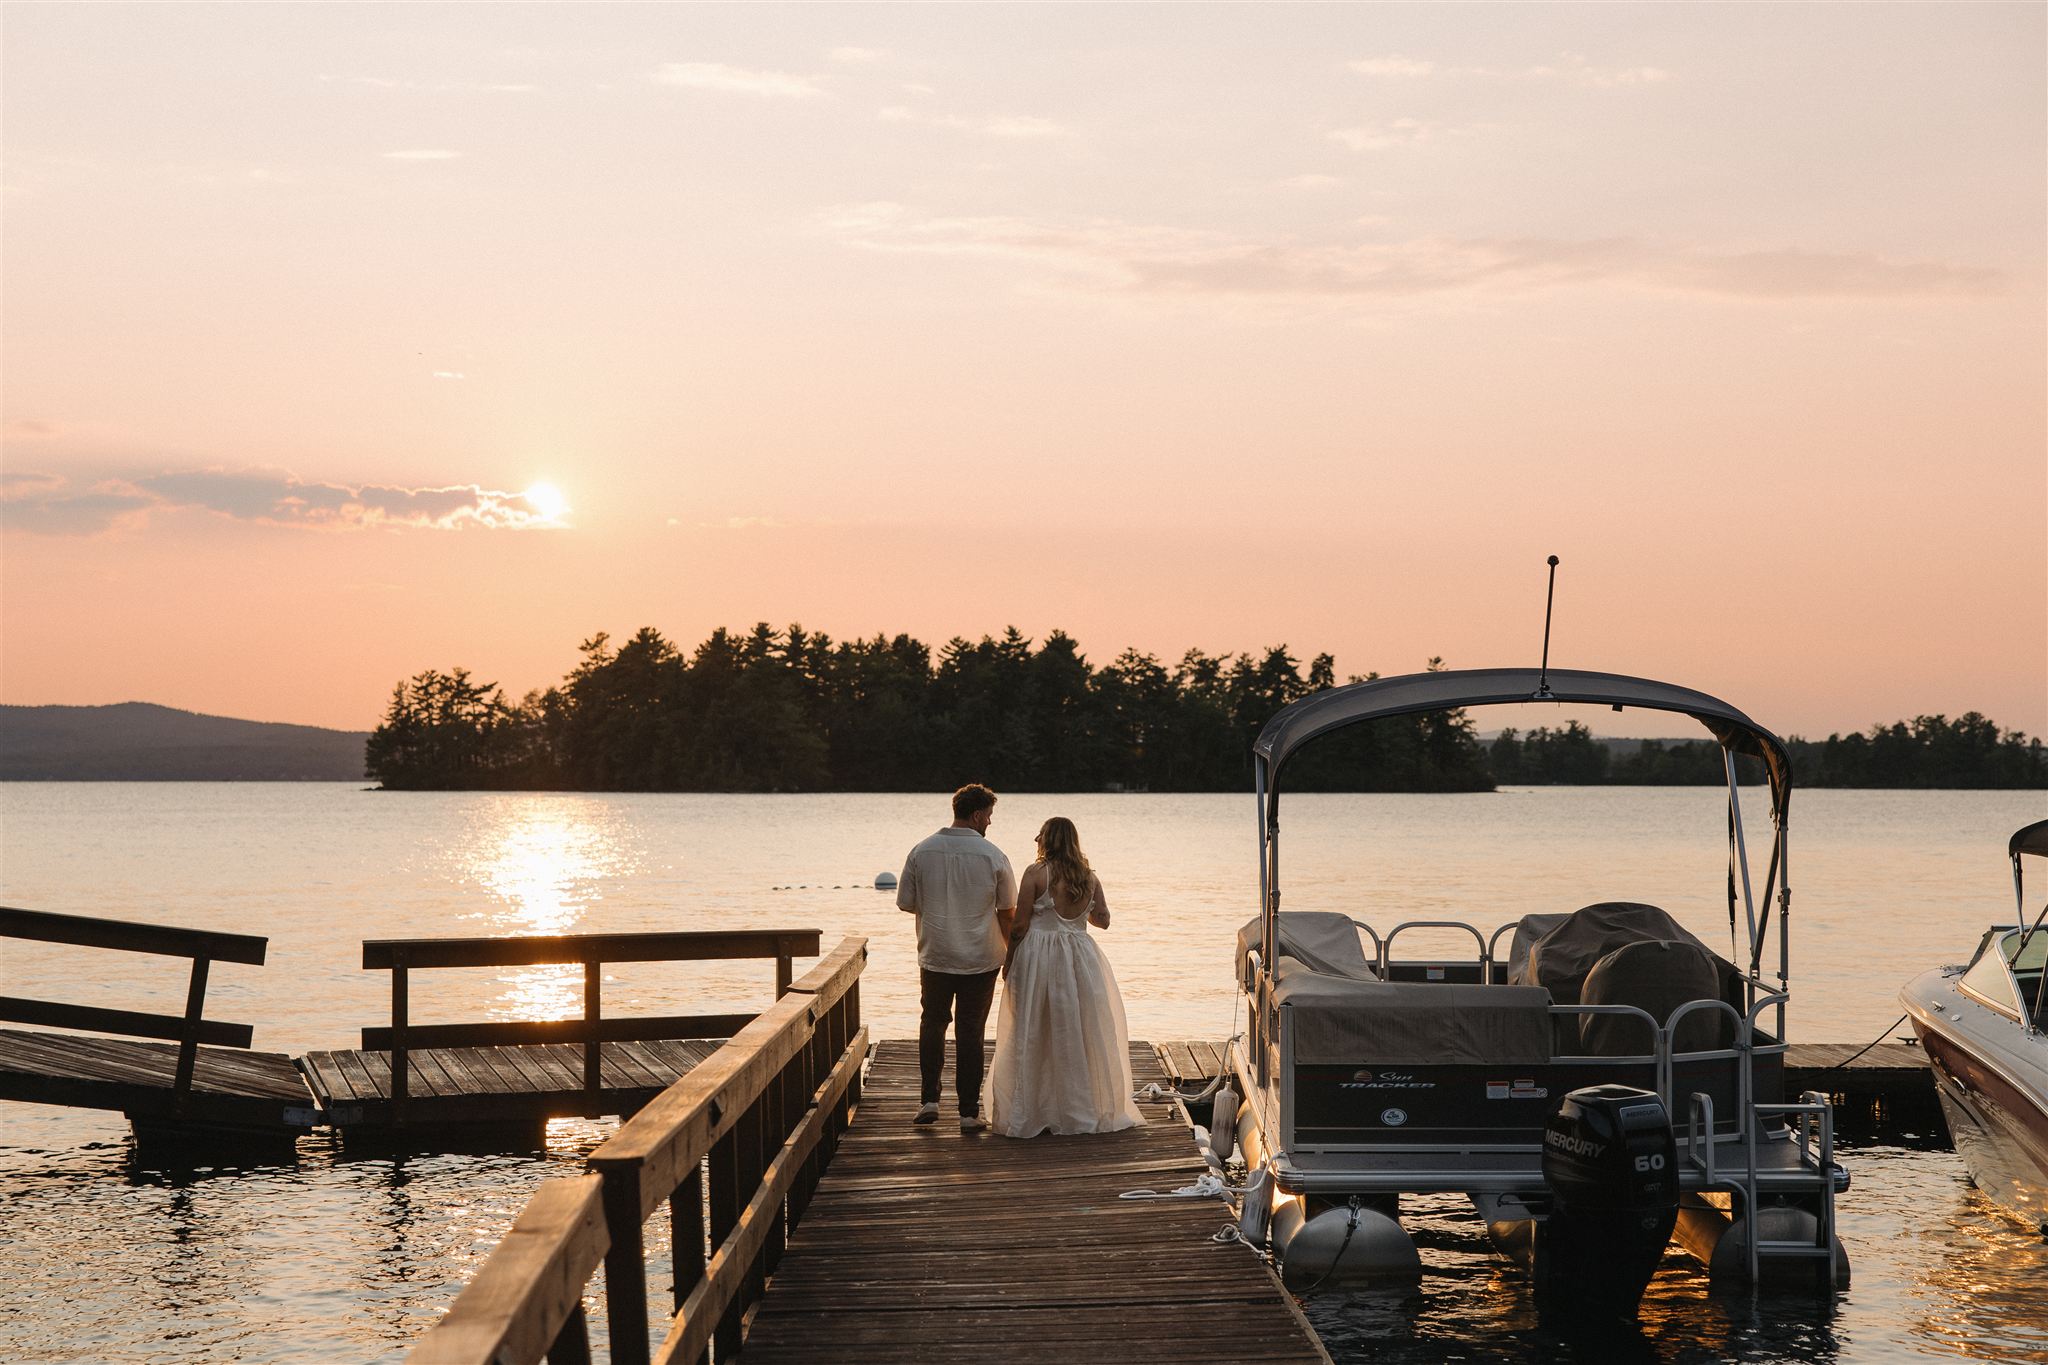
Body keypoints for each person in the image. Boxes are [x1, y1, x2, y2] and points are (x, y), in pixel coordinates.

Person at [987, 816, 1144, 1138]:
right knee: (1080, 1029)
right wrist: (1082, 911)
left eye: (1040, 835)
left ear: (1047, 839)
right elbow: (1103, 921)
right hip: (1079, 957)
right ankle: (1079, 1109)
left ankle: (1035, 1110)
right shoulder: (1089, 877)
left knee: (1033, 1028)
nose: (1036, 839)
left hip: (1038, 956)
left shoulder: (1035, 873)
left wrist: (1010, 960)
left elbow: (1019, 925)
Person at [896, 783, 1016, 1132]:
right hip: (980, 959)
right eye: (989, 816)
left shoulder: (922, 851)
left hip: (936, 954)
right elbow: (1007, 911)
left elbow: (906, 902)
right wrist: (1013, 955)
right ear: (977, 814)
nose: (990, 823)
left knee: (932, 1024)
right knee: (971, 1032)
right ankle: (967, 1112)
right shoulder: (994, 856)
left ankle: (929, 1100)